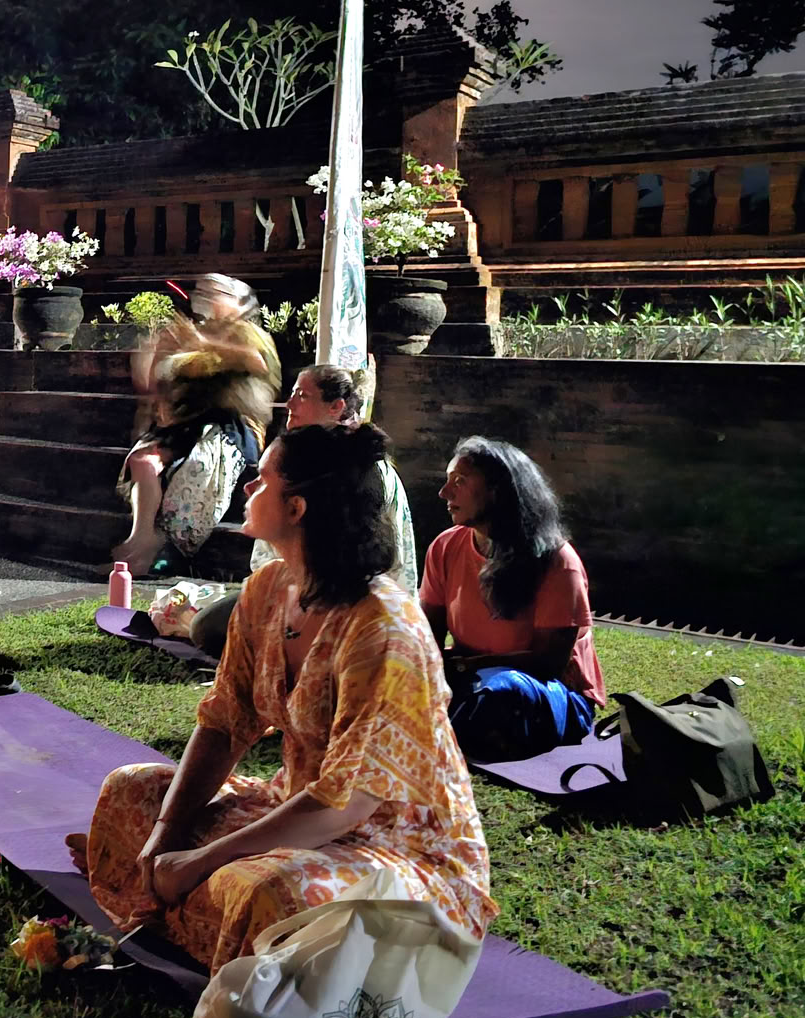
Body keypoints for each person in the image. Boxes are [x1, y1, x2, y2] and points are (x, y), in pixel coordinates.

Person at [70, 423, 495, 970]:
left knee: (270, 893)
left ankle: (182, 896)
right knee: (132, 790)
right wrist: (163, 838)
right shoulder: (267, 589)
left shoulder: (384, 629)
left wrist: (199, 861)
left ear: (296, 508)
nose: (248, 487)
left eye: (262, 479)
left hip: (394, 846)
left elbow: (347, 803)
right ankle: (179, 891)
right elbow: (224, 723)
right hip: (293, 804)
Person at [202, 365, 418, 655]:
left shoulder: (358, 471)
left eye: (302, 395)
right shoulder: (295, 456)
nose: (290, 404)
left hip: (343, 592)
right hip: (296, 586)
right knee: (214, 625)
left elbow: (367, 557)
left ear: (336, 406)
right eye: (292, 394)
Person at [419, 438, 607, 761]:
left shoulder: (557, 562)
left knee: (501, 691)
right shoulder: (445, 547)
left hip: (544, 690)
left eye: (460, 481)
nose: (444, 493)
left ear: (497, 490)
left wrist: (467, 666)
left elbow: (549, 663)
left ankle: (440, 730)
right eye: (448, 480)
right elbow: (427, 636)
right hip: (470, 678)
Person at [113, 282, 277, 572]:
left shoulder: (249, 334)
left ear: (239, 302)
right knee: (143, 461)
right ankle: (141, 537)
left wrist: (201, 341)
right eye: (205, 291)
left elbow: (256, 362)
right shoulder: (192, 332)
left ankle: (167, 553)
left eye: (218, 292)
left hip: (232, 428)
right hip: (187, 422)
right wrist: (155, 352)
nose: (207, 296)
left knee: (197, 465)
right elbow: (157, 380)